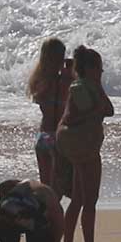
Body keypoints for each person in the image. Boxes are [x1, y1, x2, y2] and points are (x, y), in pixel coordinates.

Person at [56, 46, 113, 242]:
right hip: (84, 147)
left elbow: (109, 110)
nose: (101, 72)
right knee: (90, 200)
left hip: (81, 145)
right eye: (98, 68)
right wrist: (96, 109)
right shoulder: (80, 87)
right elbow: (77, 116)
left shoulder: (87, 85)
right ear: (88, 68)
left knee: (79, 198)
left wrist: (99, 90)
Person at [28, 39, 73, 192]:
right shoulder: (64, 82)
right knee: (62, 191)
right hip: (57, 138)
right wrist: (71, 74)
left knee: (47, 190)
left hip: (43, 136)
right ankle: (57, 216)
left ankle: (45, 215)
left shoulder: (40, 81)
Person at [0, 179, 65, 242]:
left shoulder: (14, 191)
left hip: (5, 211)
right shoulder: (48, 192)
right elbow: (59, 224)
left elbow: (2, 188)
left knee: (5, 229)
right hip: (30, 210)